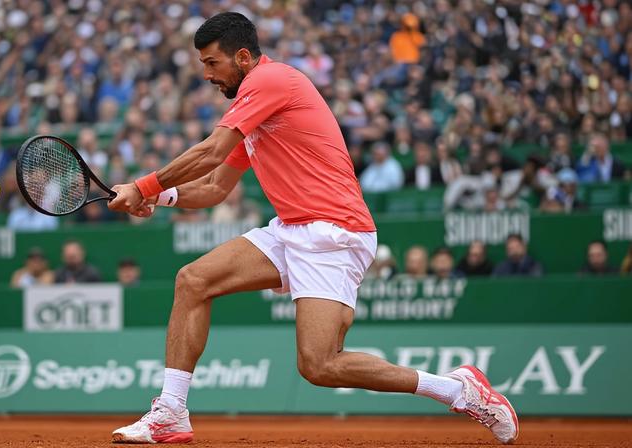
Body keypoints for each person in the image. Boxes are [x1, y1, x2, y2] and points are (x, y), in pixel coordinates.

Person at [107, 13, 517, 445]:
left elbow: (211, 152)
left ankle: (457, 390)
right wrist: (160, 197)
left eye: (213, 63)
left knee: (319, 365)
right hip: (291, 228)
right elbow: (213, 188)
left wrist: (143, 185)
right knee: (193, 280)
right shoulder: (252, 106)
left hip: (334, 232)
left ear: (243, 57)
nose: (207, 74)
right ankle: (171, 411)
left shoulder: (271, 81)